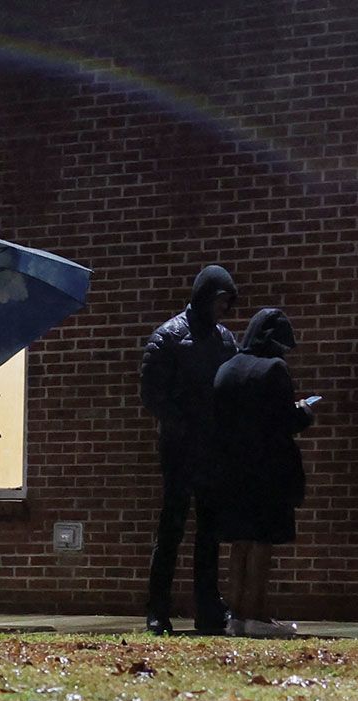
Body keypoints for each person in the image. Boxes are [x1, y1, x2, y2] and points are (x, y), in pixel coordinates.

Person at [139, 264, 240, 634]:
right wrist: (183, 423)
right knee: (172, 527)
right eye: (219, 301)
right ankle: (157, 608)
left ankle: (208, 607)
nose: (223, 309)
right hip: (180, 447)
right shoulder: (168, 337)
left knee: (209, 531)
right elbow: (153, 393)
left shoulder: (225, 339)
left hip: (211, 447)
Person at [210, 308, 318, 638]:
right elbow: (283, 421)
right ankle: (257, 615)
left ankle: (236, 616)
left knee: (238, 543)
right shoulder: (274, 369)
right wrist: (304, 412)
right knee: (262, 543)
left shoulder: (226, 369)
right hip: (268, 470)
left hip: (230, 470)